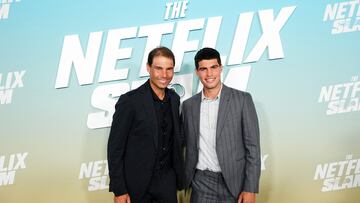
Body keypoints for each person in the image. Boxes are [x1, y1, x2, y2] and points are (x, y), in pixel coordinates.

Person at [181, 47, 261, 203]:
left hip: (234, 182)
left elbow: (253, 148)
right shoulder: (188, 106)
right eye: (203, 69)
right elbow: (181, 142)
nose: (209, 74)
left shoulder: (242, 100)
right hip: (201, 182)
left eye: (213, 67)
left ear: (221, 68)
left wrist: (250, 188)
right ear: (197, 72)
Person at [107, 46, 184, 203]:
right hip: (137, 185)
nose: (164, 75)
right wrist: (119, 190)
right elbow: (115, 148)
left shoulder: (175, 99)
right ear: (148, 68)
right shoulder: (130, 101)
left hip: (167, 184)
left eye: (169, 69)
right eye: (159, 68)